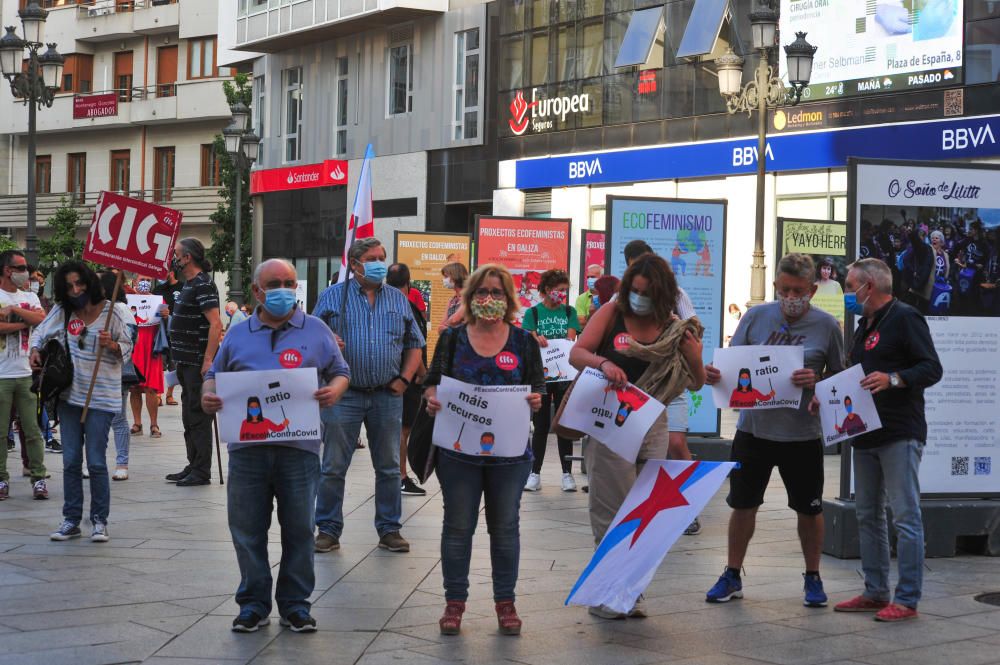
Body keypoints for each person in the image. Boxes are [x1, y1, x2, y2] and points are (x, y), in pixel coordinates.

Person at [202, 259, 350, 634]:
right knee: (247, 529)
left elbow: (341, 371)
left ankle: (296, 605)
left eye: (288, 282)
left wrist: (334, 389)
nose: (284, 289)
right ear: (257, 291)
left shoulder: (316, 330)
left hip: (298, 449)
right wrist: (208, 396)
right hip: (248, 450)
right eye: (274, 283)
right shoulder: (237, 334)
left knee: (300, 528)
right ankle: (252, 604)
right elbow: (213, 375)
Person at [570, 254, 706, 620]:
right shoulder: (612, 312)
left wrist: (695, 355)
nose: (638, 298)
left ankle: (630, 593)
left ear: (661, 294)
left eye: (646, 293)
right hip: (610, 420)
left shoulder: (674, 327)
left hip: (653, 422)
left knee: (644, 512)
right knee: (610, 508)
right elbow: (577, 352)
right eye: (634, 290)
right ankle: (605, 594)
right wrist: (604, 363)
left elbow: (696, 382)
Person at [704, 253, 844, 609]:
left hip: (802, 435)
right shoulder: (755, 317)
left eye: (798, 290)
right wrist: (716, 375)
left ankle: (813, 577)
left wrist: (818, 380)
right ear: (775, 287)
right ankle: (732, 573)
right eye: (784, 290)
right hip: (754, 432)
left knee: (809, 510)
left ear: (812, 290)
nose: (791, 297)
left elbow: (841, 380)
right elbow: (732, 366)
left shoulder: (827, 326)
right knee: (742, 504)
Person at [424, 264, 544, 636]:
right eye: (481, 292)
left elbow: (536, 385)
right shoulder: (452, 339)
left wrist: (536, 400)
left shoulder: (524, 341)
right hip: (458, 454)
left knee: (505, 528)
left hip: (508, 455)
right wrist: (431, 399)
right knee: (458, 527)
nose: (488, 299)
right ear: (470, 297)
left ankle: (505, 603)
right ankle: (454, 603)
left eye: (496, 293)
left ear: (508, 299)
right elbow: (432, 383)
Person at [828, 258, 941, 622]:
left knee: (905, 516)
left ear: (869, 287)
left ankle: (907, 598)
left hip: (899, 432)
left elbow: (931, 368)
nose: (847, 293)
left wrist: (893, 379)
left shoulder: (905, 317)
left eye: (849, 286)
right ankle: (875, 591)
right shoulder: (864, 325)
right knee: (867, 515)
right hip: (865, 432)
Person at [313, 238, 425, 554]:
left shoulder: (397, 299)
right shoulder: (333, 296)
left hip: (387, 395)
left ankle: (390, 529)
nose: (380, 263)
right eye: (373, 258)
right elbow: (309, 338)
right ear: (355, 263)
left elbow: (414, 343)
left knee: (389, 466)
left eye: (382, 257)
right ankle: (328, 530)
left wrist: (404, 379)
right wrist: (328, 340)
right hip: (344, 394)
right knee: (333, 465)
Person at [31, 261, 133, 541]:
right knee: (71, 461)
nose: (76, 290)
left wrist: (111, 345)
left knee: (97, 462)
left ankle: (99, 520)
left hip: (102, 398)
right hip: (69, 397)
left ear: (89, 281)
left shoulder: (113, 311)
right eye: (69, 286)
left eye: (80, 283)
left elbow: (127, 349)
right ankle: (71, 519)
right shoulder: (64, 311)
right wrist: (35, 350)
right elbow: (39, 332)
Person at [165, 238, 223, 487]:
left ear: (187, 257)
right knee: (189, 415)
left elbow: (216, 323)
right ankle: (193, 462)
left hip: (198, 362)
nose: (173, 258)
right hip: (185, 362)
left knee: (198, 416)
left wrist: (208, 359)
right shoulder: (189, 284)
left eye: (176, 254)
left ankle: (201, 470)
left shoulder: (203, 285)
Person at [521, 269, 581, 492]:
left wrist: (564, 339)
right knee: (541, 425)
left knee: (565, 423)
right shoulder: (533, 313)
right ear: (547, 289)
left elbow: (571, 336)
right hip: (541, 376)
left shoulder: (569, 311)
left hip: (565, 375)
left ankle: (567, 474)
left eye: (565, 290)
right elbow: (528, 337)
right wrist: (536, 337)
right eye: (560, 290)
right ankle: (534, 473)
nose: (563, 294)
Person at [0, 250, 48, 501]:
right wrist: (25, 321)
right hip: (1, 375)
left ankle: (38, 477)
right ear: (7, 270)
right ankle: (1, 479)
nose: (25, 273)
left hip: (26, 374)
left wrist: (13, 312)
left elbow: (42, 319)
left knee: (32, 429)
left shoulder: (29, 295)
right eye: (20, 268)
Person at [386, 262, 429, 497]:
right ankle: (401, 477)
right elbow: (416, 345)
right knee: (402, 431)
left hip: (397, 375)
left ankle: (396, 475)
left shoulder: (390, 306)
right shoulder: (407, 307)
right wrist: (423, 374)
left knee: (399, 430)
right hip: (407, 378)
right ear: (409, 283)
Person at [98, 271, 134, 482]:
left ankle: (122, 463)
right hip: (93, 372)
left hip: (116, 371)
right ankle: (95, 461)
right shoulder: (91, 309)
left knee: (118, 418)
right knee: (95, 420)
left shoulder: (120, 309)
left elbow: (131, 340)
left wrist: (111, 343)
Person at [128, 276, 164, 439]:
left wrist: (166, 315)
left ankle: (154, 424)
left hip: (152, 349)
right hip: (134, 348)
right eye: (143, 279)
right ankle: (137, 423)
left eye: (149, 279)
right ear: (135, 281)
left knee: (151, 388)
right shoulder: (128, 299)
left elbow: (166, 322)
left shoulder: (158, 299)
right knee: (135, 387)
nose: (146, 282)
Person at [153, 268, 183, 406]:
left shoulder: (182, 287)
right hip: (160, 332)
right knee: (159, 363)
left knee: (174, 365)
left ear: (171, 272)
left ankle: (169, 395)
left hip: (177, 331)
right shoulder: (157, 289)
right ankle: (158, 394)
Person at [438, 262, 469, 332]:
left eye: (446, 277)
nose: (444, 280)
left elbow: (455, 319)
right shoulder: (452, 301)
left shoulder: (469, 296)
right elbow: (440, 328)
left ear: (455, 276)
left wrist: (446, 326)